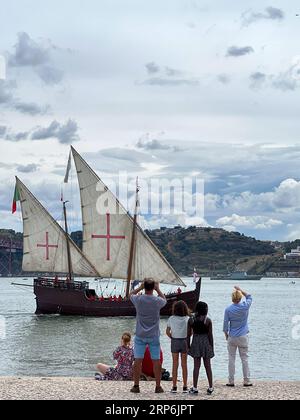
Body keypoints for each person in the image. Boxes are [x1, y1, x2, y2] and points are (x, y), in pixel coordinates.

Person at [130, 278, 167, 394]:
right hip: (153, 335)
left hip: (140, 334)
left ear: (144, 287)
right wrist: (158, 289)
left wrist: (140, 288)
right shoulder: (157, 301)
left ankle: (136, 386)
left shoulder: (138, 299)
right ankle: (158, 387)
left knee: (137, 361)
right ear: (153, 288)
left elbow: (130, 294)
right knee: (156, 361)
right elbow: (164, 300)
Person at [223, 286, 253, 387]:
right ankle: (246, 380)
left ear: (232, 298)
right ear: (240, 298)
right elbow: (249, 296)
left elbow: (225, 325)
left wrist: (226, 335)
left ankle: (231, 381)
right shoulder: (245, 306)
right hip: (243, 336)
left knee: (231, 358)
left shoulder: (228, 309)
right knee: (244, 358)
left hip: (232, 336)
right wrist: (240, 289)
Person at [188, 301, 214, 395]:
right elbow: (210, 335)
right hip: (206, 342)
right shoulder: (208, 320)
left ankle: (194, 387)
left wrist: (188, 346)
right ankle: (210, 387)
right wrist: (212, 347)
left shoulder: (191, 320)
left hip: (196, 341)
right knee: (208, 366)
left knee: (196, 366)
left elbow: (188, 335)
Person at [166, 301, 190, 394]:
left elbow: (167, 331)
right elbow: (190, 332)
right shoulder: (187, 318)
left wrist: (172, 337)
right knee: (184, 364)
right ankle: (185, 386)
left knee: (175, 364)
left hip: (175, 341)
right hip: (184, 341)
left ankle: (174, 386)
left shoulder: (171, 318)